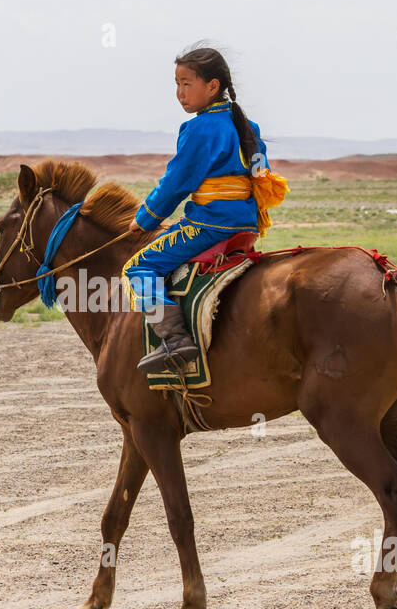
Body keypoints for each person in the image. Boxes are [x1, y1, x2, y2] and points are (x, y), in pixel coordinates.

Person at [123, 45, 287, 374]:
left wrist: (144, 220)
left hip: (210, 224)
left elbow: (176, 183)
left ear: (212, 87)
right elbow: (260, 173)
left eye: (187, 83)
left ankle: (174, 338)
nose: (180, 93)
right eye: (176, 84)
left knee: (139, 268)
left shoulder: (199, 129)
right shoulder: (247, 126)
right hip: (246, 224)